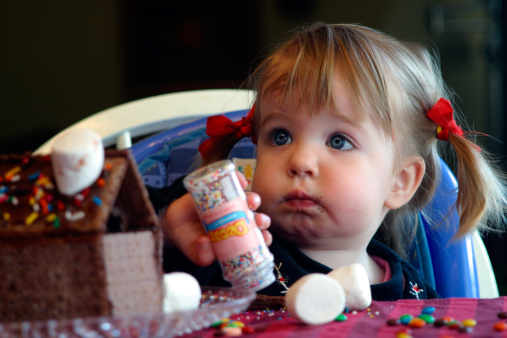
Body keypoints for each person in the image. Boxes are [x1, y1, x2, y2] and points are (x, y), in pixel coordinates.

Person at [153, 23, 506, 300]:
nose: (301, 161)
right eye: (280, 136)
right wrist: (167, 231)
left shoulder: (411, 292)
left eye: (338, 141)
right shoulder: (229, 256)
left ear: (399, 181)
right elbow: (119, 284)